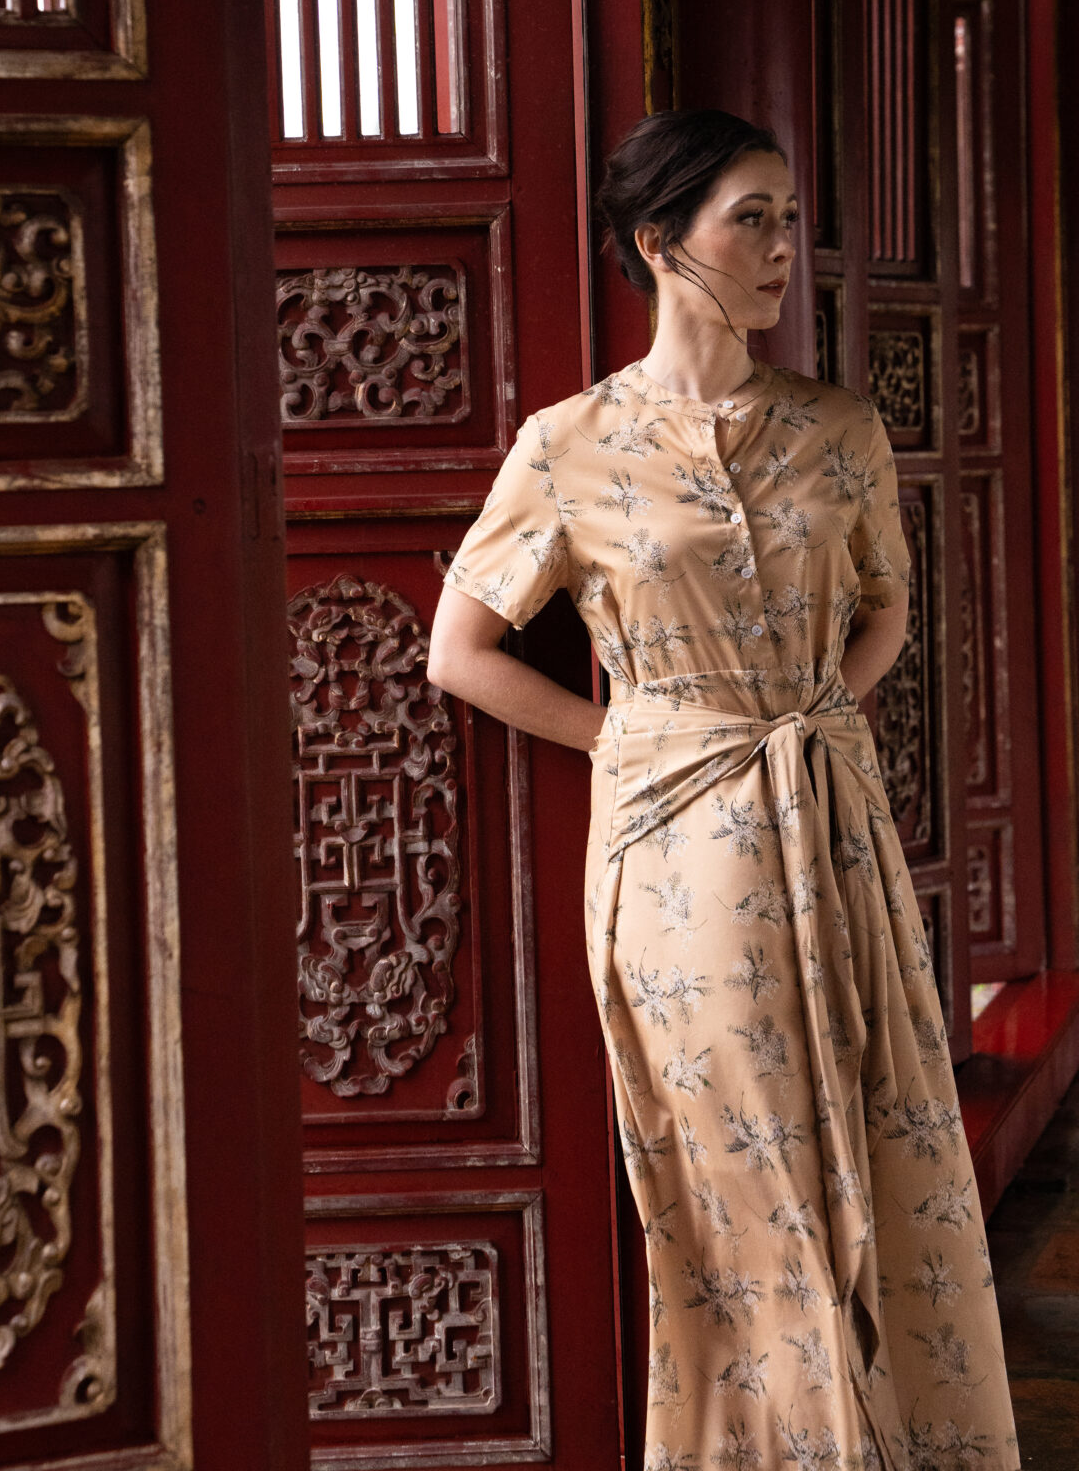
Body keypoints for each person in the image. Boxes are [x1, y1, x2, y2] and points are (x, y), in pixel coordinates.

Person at [427, 109, 1021, 1471]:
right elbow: (462, 653)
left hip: (833, 818)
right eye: (751, 216)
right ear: (661, 242)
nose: (780, 246)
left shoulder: (839, 428)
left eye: (789, 215)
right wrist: (636, 741)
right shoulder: (568, 445)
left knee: (879, 1146)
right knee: (750, 1186)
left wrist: (810, 717)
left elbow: (886, 609)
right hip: (678, 854)